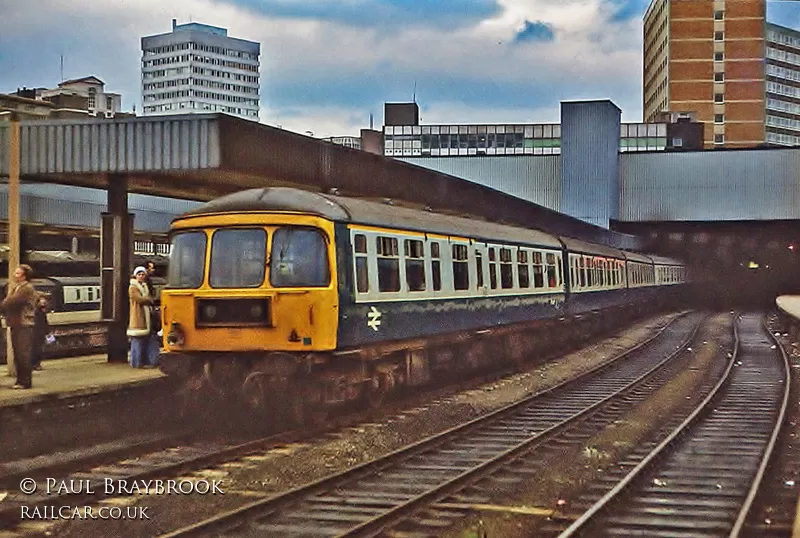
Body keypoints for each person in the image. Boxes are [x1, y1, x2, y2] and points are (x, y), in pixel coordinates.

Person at [0, 265, 37, 389]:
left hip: (24, 324)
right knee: (18, 352)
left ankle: (25, 381)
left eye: (17, 273)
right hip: (17, 323)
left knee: (23, 353)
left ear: (24, 276)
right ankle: (20, 380)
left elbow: (11, 302)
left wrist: (4, 302)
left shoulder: (26, 288)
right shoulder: (18, 288)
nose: (14, 275)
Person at [128, 266, 157, 368]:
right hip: (138, 317)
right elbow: (139, 299)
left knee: (145, 340)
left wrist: (148, 299)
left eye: (143, 274)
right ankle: (135, 362)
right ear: (135, 276)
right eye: (139, 274)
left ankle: (145, 361)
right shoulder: (133, 287)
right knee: (137, 341)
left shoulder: (144, 286)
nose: (141, 276)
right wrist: (149, 299)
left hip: (146, 317)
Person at [32, 293, 52, 371]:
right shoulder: (38, 312)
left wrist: (48, 332)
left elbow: (45, 322)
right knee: (37, 349)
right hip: (37, 333)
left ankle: (36, 364)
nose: (44, 302)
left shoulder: (41, 311)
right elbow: (43, 322)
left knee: (39, 349)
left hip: (40, 333)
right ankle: (36, 364)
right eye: (42, 301)